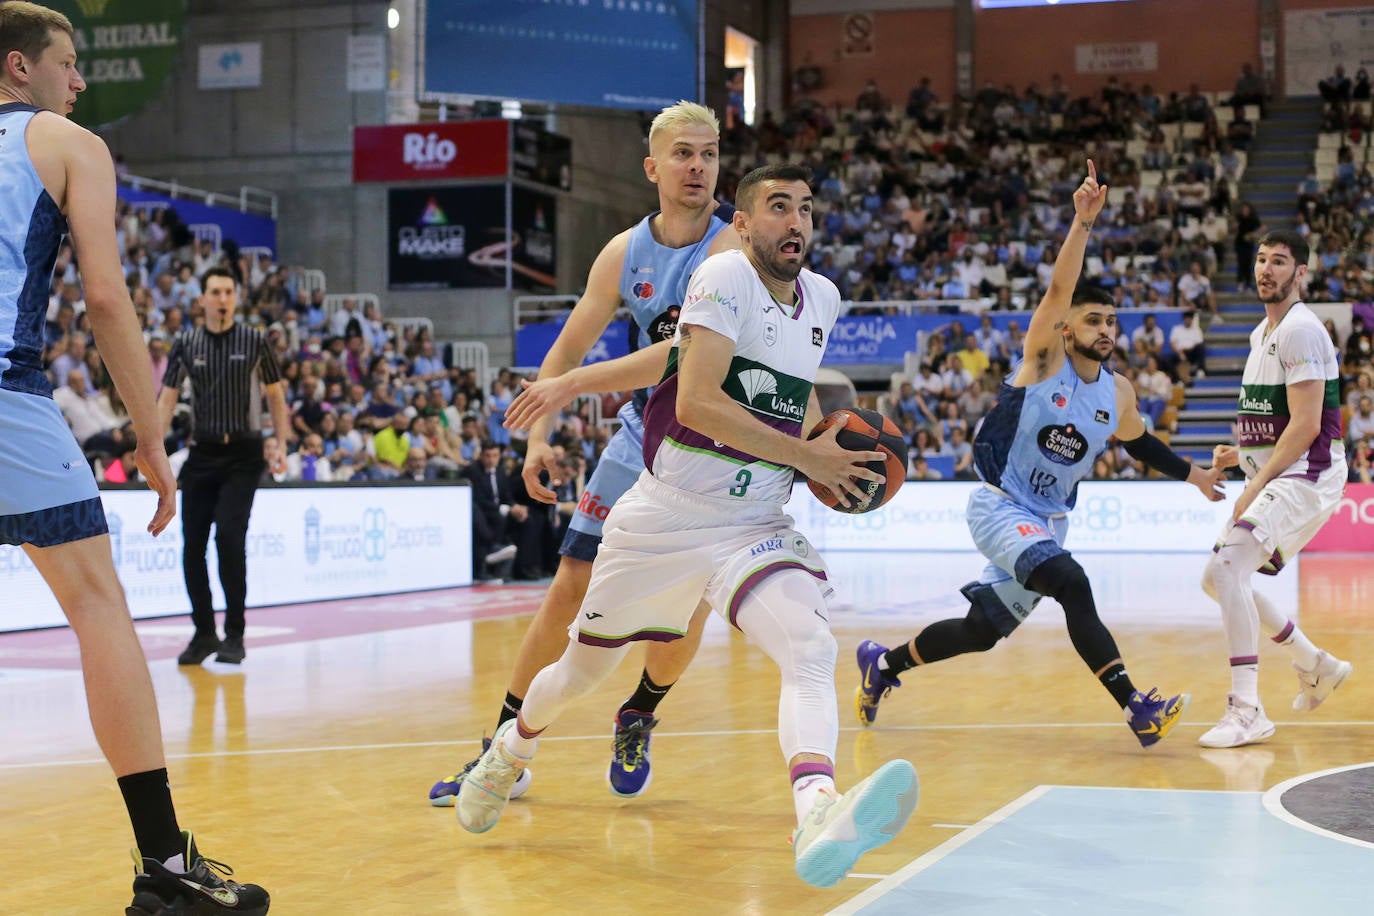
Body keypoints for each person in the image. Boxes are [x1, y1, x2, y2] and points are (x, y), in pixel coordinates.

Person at [455, 164, 919, 887]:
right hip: (665, 518)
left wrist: (822, 458)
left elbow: (784, 399)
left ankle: (818, 810)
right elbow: (699, 403)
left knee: (808, 644)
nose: (795, 222)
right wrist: (808, 458)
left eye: (805, 209)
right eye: (776, 207)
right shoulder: (722, 280)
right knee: (583, 669)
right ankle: (512, 747)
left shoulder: (823, 297)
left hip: (754, 518)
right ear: (741, 222)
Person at [0, 4, 268, 912]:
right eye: (67, 64)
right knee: (97, 606)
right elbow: (107, 300)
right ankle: (167, 866)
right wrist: (150, 434)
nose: (79, 82)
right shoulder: (65, 144)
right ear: (19, 68)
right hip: (6, 395)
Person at [426, 101, 742, 805]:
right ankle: (501, 752)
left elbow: (684, 350)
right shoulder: (624, 252)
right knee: (568, 585)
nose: (698, 167)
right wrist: (538, 436)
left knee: (684, 607)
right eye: (684, 154)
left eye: (710, 154)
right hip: (640, 437)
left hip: (713, 447)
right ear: (653, 167)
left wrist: (572, 386)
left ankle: (639, 714)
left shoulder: (731, 250)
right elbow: (562, 351)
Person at [854, 161, 1226, 748]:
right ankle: (1137, 708)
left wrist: (1196, 475)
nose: (1105, 329)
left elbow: (1140, 442)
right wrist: (1083, 224)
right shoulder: (1043, 361)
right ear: (1066, 329)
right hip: (1000, 506)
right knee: (1073, 583)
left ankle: (884, 666)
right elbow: (1058, 290)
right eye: (1092, 320)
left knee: (981, 632)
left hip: (1046, 520)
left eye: (1110, 321)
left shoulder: (1119, 392)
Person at [1199, 231, 1352, 748]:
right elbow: (1268, 418)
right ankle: (1315, 664)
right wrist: (1236, 456)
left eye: (1279, 262)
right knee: (1215, 579)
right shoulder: (1260, 334)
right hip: (1281, 470)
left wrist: (1253, 483)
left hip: (1309, 473)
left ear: (1300, 272)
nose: (1267, 269)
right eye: (1262, 260)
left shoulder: (1302, 331)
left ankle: (1247, 709)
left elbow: (1307, 424)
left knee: (1227, 568)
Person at [158, 265, 291, 666]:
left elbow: (275, 394)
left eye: (228, 292)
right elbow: (166, 397)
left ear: (236, 297)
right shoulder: (186, 341)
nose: (222, 298)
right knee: (192, 546)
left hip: (244, 454)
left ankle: (235, 634)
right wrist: (152, 447)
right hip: (203, 454)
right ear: (202, 299)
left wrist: (281, 442)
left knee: (229, 539)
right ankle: (203, 633)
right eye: (215, 291)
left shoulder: (255, 340)